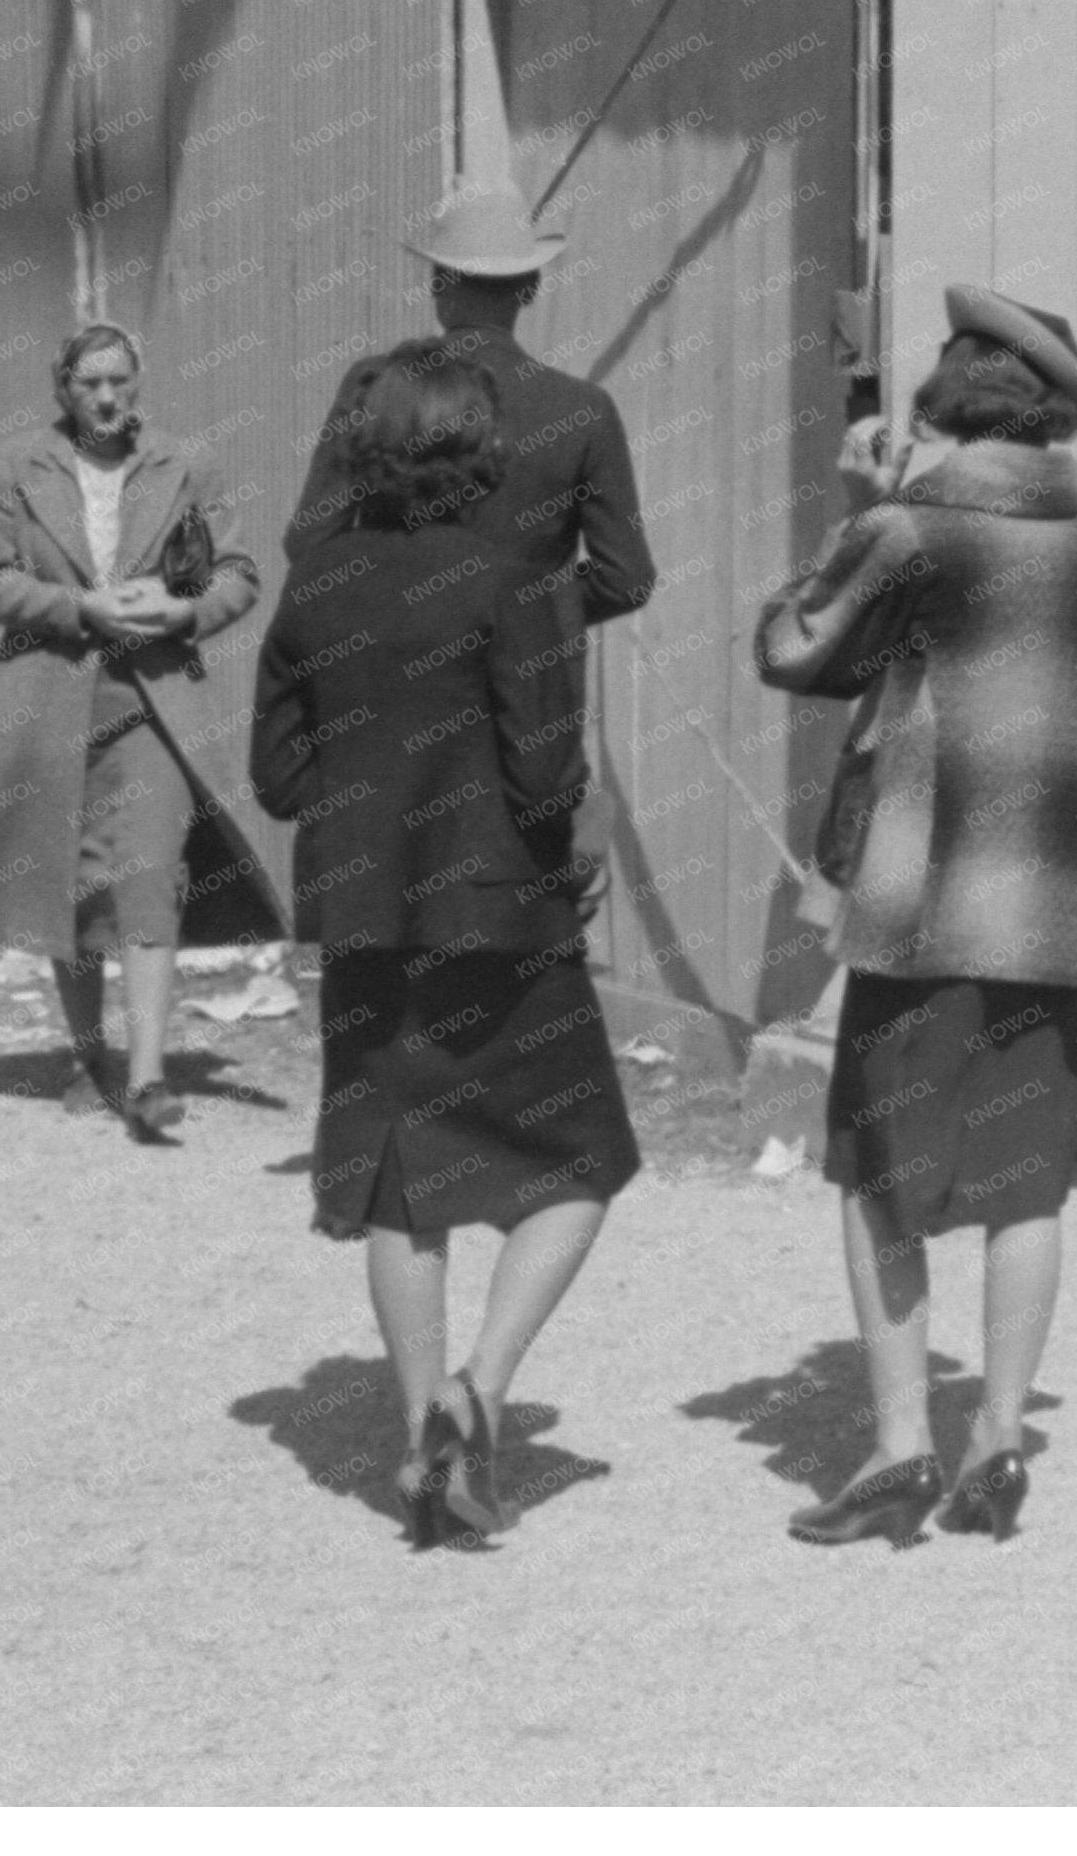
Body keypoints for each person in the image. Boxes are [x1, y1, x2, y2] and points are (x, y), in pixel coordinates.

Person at [756, 287, 1077, 1545]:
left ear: (953, 390)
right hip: (1054, 901)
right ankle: (998, 1437)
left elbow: (793, 646)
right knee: (1027, 1176)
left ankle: (899, 1450)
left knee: (881, 1170)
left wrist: (848, 521)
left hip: (923, 898)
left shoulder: (913, 523)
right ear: (1053, 405)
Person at [251, 346, 636, 1548]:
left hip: (368, 914)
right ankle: (481, 1388)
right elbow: (543, 767)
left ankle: (420, 1424)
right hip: (499, 914)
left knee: (397, 1172)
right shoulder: (510, 580)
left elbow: (279, 775)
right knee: (581, 1161)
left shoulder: (313, 588)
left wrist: (369, 798)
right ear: (478, 452)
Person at [0, 324, 285, 1137]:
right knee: (69, 880)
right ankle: (90, 1053)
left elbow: (239, 572)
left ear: (139, 382)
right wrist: (76, 607)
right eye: (89, 384)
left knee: (150, 871)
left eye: (119, 380)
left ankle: (150, 1077)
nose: (107, 397)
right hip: (46, 703)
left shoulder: (185, 464)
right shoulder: (13, 468)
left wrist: (187, 609)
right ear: (62, 388)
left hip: (152, 701)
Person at [286, 179, 654, 708]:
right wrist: (532, 606)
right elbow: (627, 580)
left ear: (438, 285)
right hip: (526, 698)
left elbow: (310, 542)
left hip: (391, 684)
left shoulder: (375, 386)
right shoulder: (583, 411)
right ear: (530, 288)